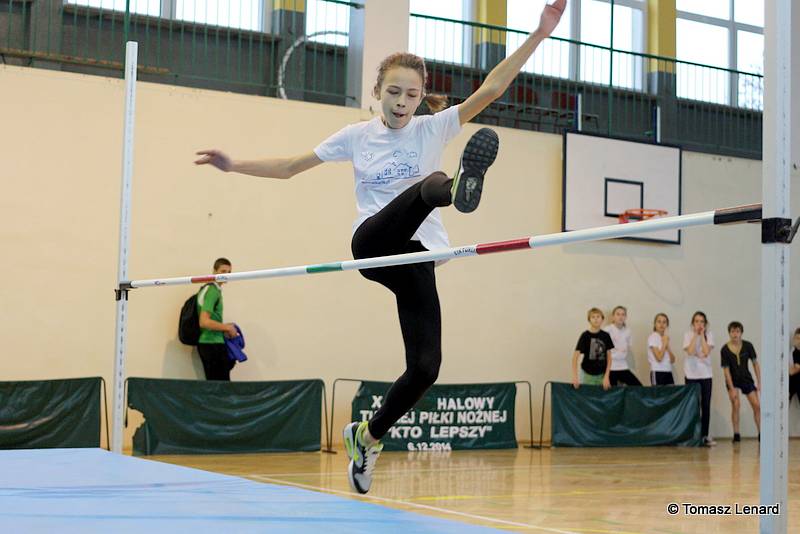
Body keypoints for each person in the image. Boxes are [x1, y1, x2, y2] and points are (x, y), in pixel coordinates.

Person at [194, 0, 568, 495]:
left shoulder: (433, 127)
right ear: (377, 92)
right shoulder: (357, 136)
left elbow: (492, 88)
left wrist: (540, 33)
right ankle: (455, 190)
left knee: (425, 369)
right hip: (373, 245)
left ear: (421, 98)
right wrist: (233, 164)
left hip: (417, 257)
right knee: (430, 185)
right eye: (393, 92)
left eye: (412, 95)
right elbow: (289, 167)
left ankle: (368, 436)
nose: (402, 102)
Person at [197, 258, 239, 381]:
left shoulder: (210, 289)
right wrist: (227, 328)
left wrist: (224, 327)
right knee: (221, 386)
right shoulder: (212, 291)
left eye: (229, 272)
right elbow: (204, 322)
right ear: (214, 271)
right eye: (223, 271)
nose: (226, 275)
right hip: (211, 343)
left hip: (212, 342)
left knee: (217, 384)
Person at [720, 321, 760, 443]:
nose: (735, 334)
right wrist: (731, 388)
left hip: (746, 379)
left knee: (757, 405)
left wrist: (759, 382)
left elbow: (755, 364)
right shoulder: (725, 349)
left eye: (737, 331)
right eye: (732, 331)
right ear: (729, 333)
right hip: (733, 380)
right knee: (736, 405)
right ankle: (736, 434)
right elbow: (726, 370)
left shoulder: (748, 346)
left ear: (741, 333)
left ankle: (761, 433)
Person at [683, 311, 716, 446]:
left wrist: (702, 335)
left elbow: (706, 351)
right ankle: (692, 436)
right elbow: (690, 351)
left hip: (706, 375)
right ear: (693, 323)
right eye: (696, 321)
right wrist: (695, 336)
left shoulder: (709, 335)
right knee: (692, 405)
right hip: (691, 375)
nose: (699, 324)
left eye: (702, 321)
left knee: (705, 405)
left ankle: (704, 435)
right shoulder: (688, 335)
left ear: (705, 324)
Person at [572, 308, 613, 390]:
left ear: (602, 319)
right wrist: (575, 377)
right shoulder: (585, 336)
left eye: (598, 316)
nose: (596, 319)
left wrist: (606, 376)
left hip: (602, 375)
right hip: (587, 374)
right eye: (593, 317)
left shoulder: (606, 336)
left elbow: (609, 357)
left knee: (600, 396)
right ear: (589, 320)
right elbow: (575, 357)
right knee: (587, 395)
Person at [604, 305, 642, 386]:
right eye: (618, 314)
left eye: (623, 314)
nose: (620, 317)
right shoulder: (607, 330)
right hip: (611, 367)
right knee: (612, 391)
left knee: (638, 387)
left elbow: (627, 348)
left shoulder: (628, 331)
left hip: (623, 366)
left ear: (625, 317)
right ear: (613, 317)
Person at [648, 313, 675, 386]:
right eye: (659, 321)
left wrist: (667, 346)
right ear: (655, 324)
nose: (661, 324)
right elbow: (659, 358)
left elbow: (673, 360)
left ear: (667, 325)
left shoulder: (665, 338)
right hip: (657, 371)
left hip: (668, 371)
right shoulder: (653, 337)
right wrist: (664, 344)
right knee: (659, 393)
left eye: (664, 322)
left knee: (671, 393)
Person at [789, 327, 800, 405]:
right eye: (796, 338)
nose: (798, 341)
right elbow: (792, 371)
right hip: (792, 383)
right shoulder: (792, 351)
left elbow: (795, 369)